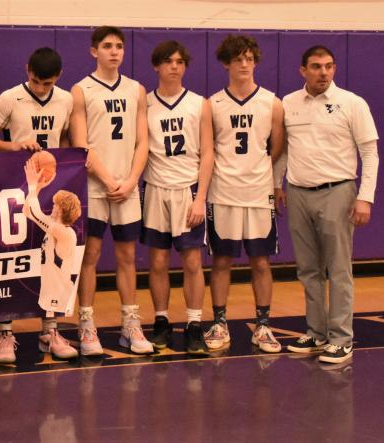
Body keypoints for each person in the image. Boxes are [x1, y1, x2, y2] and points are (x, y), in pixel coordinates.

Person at [278, 45, 379, 364]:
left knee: (338, 268)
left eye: (329, 66)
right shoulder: (289, 103)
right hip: (297, 192)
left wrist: (365, 196)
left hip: (338, 191)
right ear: (302, 70)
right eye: (316, 66)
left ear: (334, 69)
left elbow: (370, 154)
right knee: (308, 269)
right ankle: (317, 333)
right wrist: (275, 185)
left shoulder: (352, 103)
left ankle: (341, 337)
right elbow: (283, 150)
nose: (323, 72)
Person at [0, 47, 77, 363]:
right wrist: (13, 145)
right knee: (13, 257)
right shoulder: (9, 98)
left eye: (46, 84)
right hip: (18, 187)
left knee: (52, 262)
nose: (39, 88)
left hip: (54, 188)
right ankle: (5, 331)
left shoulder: (65, 99)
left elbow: (65, 143)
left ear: (58, 78)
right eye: (35, 81)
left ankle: (50, 330)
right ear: (26, 70)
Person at [70, 26, 153, 356]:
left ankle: (129, 323)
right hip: (94, 186)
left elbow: (142, 140)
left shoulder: (136, 89)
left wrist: (132, 179)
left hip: (127, 186)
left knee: (127, 257)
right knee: (89, 256)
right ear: (94, 51)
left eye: (119, 46)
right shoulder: (81, 90)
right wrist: (108, 181)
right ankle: (87, 325)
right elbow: (80, 144)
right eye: (107, 46)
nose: (114, 51)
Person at [205, 34, 285, 353]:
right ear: (226, 62)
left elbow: (278, 147)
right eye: (238, 58)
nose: (244, 64)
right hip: (222, 192)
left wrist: (269, 177)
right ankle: (220, 322)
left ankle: (263, 325)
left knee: (261, 262)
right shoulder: (213, 104)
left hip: (258, 193)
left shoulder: (272, 102)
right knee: (221, 261)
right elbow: (208, 149)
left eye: (250, 58)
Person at [140, 41, 213, 355]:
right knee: (157, 261)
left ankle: (195, 324)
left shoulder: (200, 104)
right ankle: (161, 321)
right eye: (168, 61)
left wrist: (201, 199)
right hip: (156, 188)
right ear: (156, 66)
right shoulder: (144, 103)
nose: (174, 66)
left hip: (187, 189)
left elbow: (209, 153)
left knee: (192, 261)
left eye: (180, 61)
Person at [21, 156, 84, 362]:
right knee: (46, 308)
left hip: (59, 285)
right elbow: (28, 211)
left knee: (51, 309)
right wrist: (37, 189)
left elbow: (36, 212)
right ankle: (48, 337)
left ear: (63, 210)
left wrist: (32, 186)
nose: (54, 206)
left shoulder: (65, 232)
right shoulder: (55, 228)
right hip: (50, 281)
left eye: (57, 205)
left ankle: (53, 335)